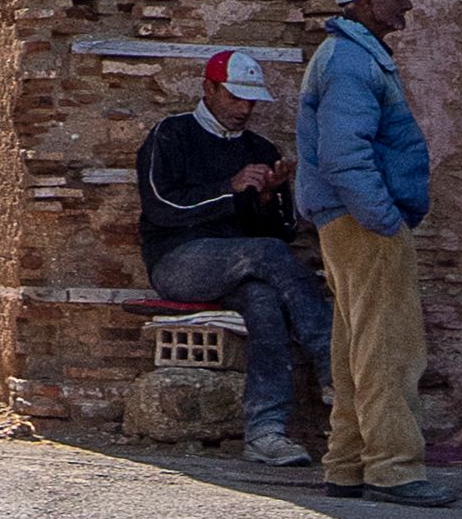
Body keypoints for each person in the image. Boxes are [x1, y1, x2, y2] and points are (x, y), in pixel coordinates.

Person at [296, 0, 449, 504]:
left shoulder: (346, 56)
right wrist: (384, 218)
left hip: (348, 219)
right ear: (363, 2)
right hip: (365, 223)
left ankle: (348, 464)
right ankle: (394, 469)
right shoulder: (353, 61)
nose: (406, 7)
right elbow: (343, 154)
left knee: (355, 344)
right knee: (390, 347)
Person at [135, 46, 331, 466]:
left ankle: (265, 431)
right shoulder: (171, 134)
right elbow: (161, 208)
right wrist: (231, 187)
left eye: (251, 100)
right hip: (177, 261)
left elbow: (279, 230)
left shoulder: (258, 146)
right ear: (208, 89)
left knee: (263, 299)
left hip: (242, 266)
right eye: (235, 97)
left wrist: (268, 196)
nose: (245, 109)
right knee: (265, 256)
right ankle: (333, 362)